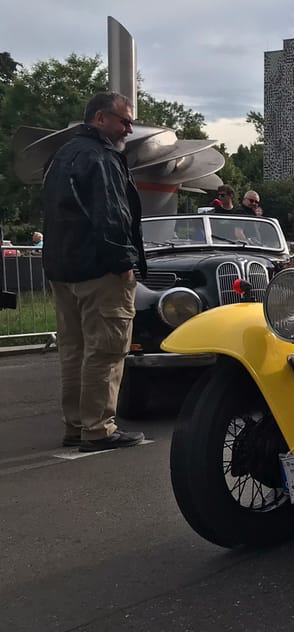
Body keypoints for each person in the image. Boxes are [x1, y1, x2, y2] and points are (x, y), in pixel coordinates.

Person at [41, 91, 146, 451]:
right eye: (125, 121)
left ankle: (75, 424)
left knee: (73, 350)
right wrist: (124, 264)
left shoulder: (60, 156)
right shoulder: (101, 157)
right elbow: (112, 216)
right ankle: (99, 428)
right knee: (106, 349)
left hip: (62, 268)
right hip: (100, 269)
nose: (129, 130)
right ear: (100, 119)